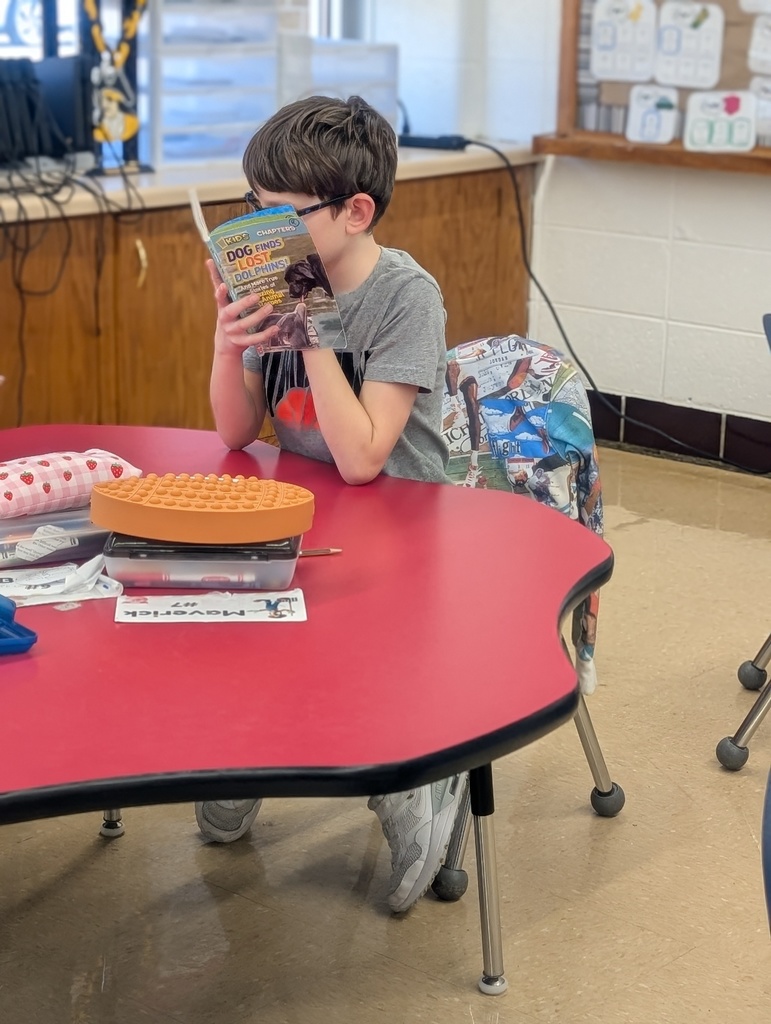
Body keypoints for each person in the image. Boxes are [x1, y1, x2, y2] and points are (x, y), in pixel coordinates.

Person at [202, 94, 463, 913]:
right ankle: (255, 748)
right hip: (307, 507)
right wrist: (228, 343)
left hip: (402, 515)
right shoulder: (277, 283)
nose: (257, 234)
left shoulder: (402, 296)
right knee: (233, 611)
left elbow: (361, 461)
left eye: (278, 217)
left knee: (358, 645)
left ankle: (414, 780)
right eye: (250, 209)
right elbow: (237, 431)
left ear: (355, 212)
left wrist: (308, 330)